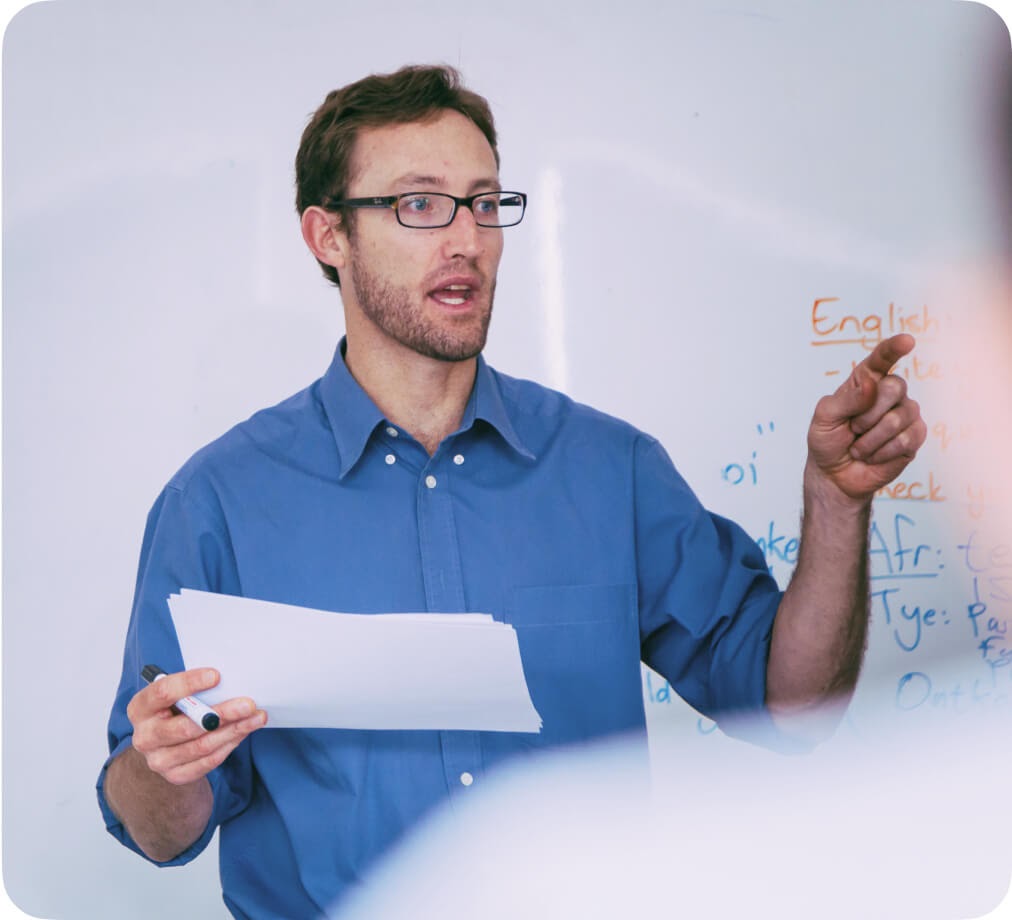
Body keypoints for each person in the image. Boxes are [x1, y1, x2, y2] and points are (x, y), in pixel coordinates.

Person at [97, 64, 926, 919]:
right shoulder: (220, 501)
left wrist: (837, 502)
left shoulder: (613, 470)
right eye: (419, 204)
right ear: (327, 235)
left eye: (485, 203)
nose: (467, 239)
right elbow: (158, 831)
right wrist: (163, 765)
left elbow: (793, 708)